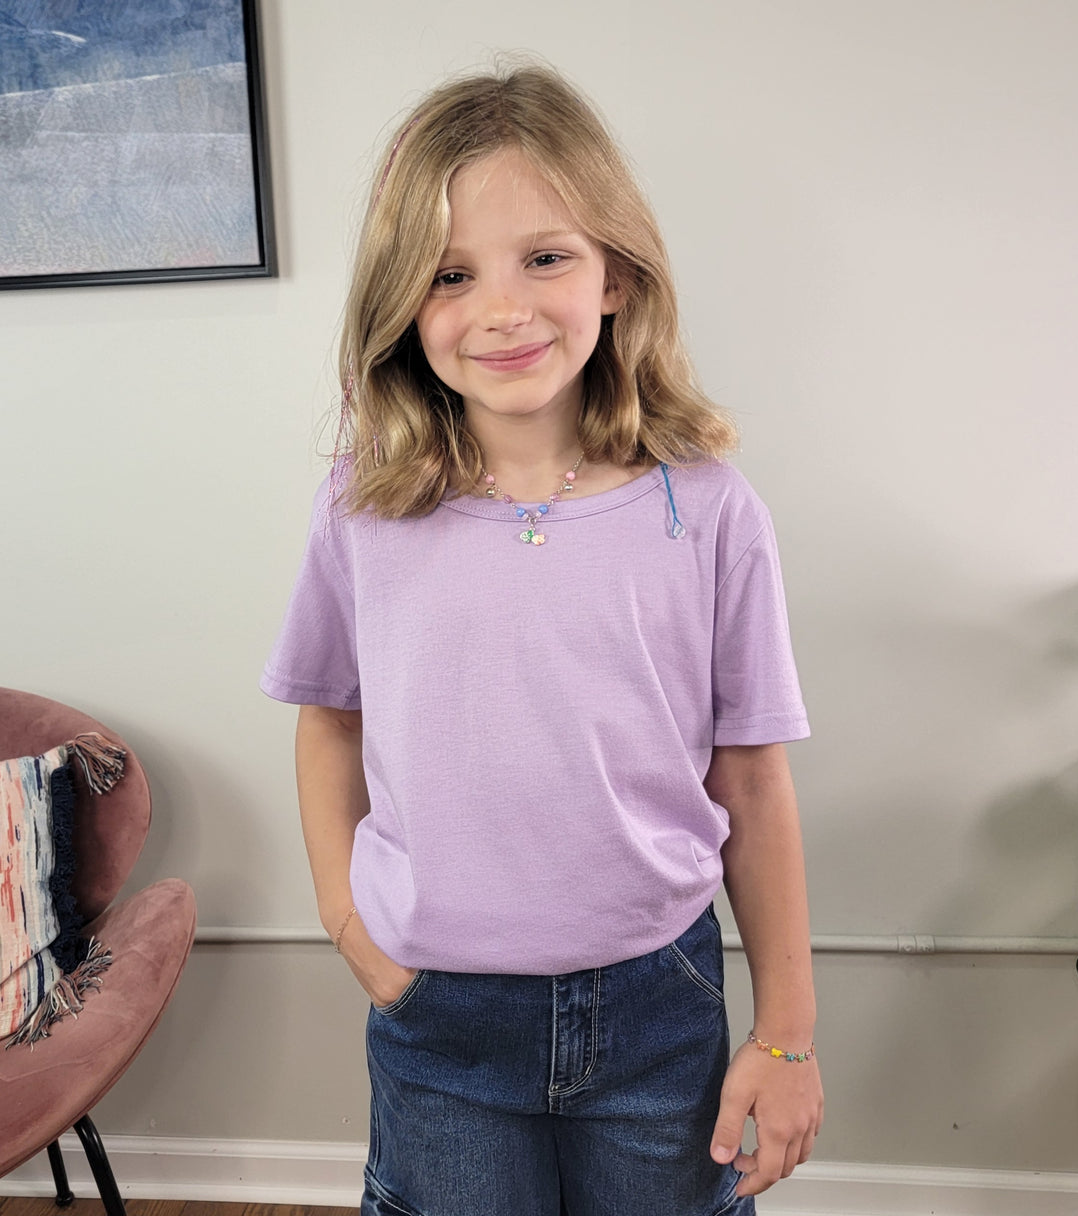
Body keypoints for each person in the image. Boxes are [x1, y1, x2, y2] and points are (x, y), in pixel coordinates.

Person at [262, 62, 823, 1216]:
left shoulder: (708, 508)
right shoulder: (362, 503)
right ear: (403, 303)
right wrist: (347, 922)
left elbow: (754, 782)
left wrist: (789, 1036)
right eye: (451, 273)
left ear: (615, 271)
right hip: (439, 1015)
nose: (502, 308)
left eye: (546, 257)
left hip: (659, 1005)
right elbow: (331, 716)